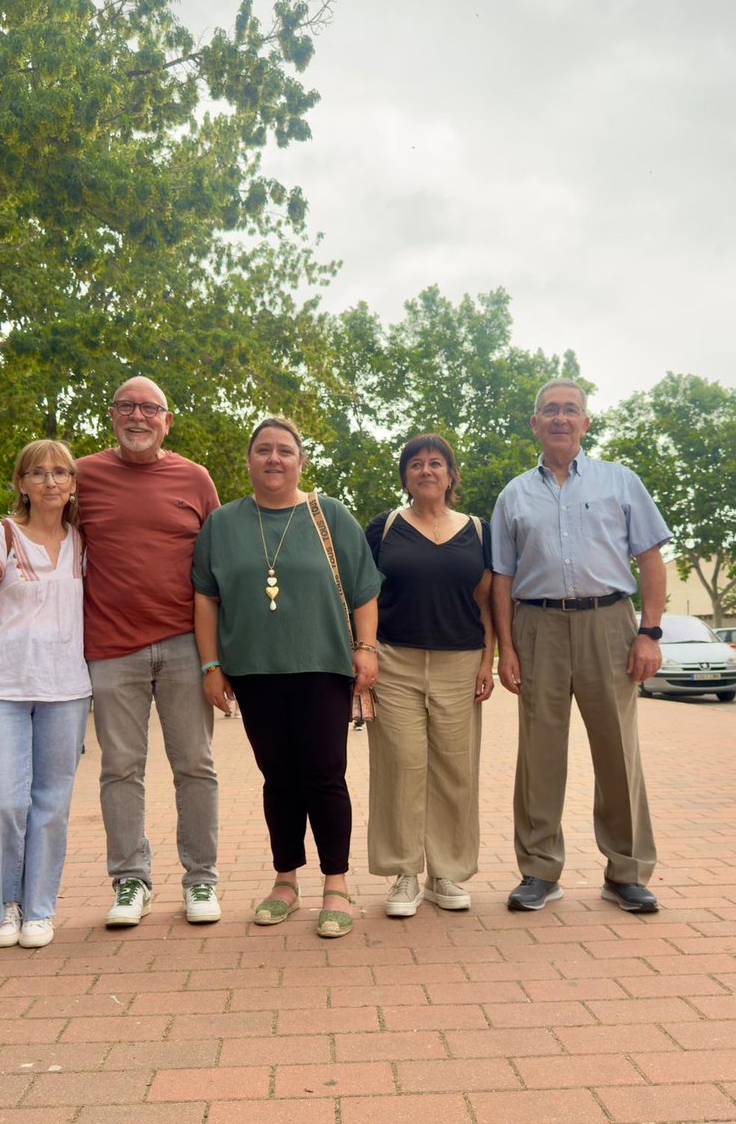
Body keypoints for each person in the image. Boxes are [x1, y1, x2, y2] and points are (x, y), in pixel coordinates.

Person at [0, 377, 222, 928]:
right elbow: (35, 529)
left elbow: (221, 563)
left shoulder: (195, 478)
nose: (138, 416)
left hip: (182, 644)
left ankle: (201, 880)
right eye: (127, 406)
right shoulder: (85, 475)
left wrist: (221, 657)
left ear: (167, 420)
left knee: (194, 766)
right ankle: (132, 880)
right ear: (111, 416)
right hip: (108, 648)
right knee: (121, 769)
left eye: (150, 407)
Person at [192, 417, 381, 938]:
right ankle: (285, 881)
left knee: (324, 776)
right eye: (263, 450)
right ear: (248, 460)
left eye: (285, 451)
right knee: (278, 780)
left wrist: (366, 648)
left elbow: (364, 590)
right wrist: (211, 666)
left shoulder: (331, 515)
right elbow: (206, 599)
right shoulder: (223, 524)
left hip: (322, 666)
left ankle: (336, 884)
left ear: (301, 460)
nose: (274, 459)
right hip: (253, 670)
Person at [491, 378, 670, 914]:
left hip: (609, 624)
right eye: (551, 411)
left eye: (571, 410)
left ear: (586, 422)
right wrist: (507, 649)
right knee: (539, 754)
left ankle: (627, 871)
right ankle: (539, 870)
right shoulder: (514, 494)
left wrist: (650, 632)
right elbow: (501, 577)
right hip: (538, 626)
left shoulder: (621, 481)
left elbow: (651, 560)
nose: (561, 419)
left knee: (618, 750)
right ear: (536, 424)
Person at [0, 440, 92, 948]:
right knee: (1, 799)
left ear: (74, 483)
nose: (50, 481)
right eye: (38, 473)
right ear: (21, 483)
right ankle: (5, 905)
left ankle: (39, 909)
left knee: (51, 804)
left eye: (60, 472)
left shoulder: (84, 541)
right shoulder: (0, 535)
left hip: (66, 688)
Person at [365, 433, 495, 918]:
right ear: (405, 476)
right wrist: (365, 652)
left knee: (455, 768)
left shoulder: (478, 531)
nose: (426, 470)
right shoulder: (384, 528)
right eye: (416, 464)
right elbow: (362, 595)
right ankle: (403, 873)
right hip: (394, 660)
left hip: (461, 662)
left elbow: (486, 599)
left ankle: (447, 872)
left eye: (436, 463)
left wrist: (489, 660)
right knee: (401, 764)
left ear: (450, 474)